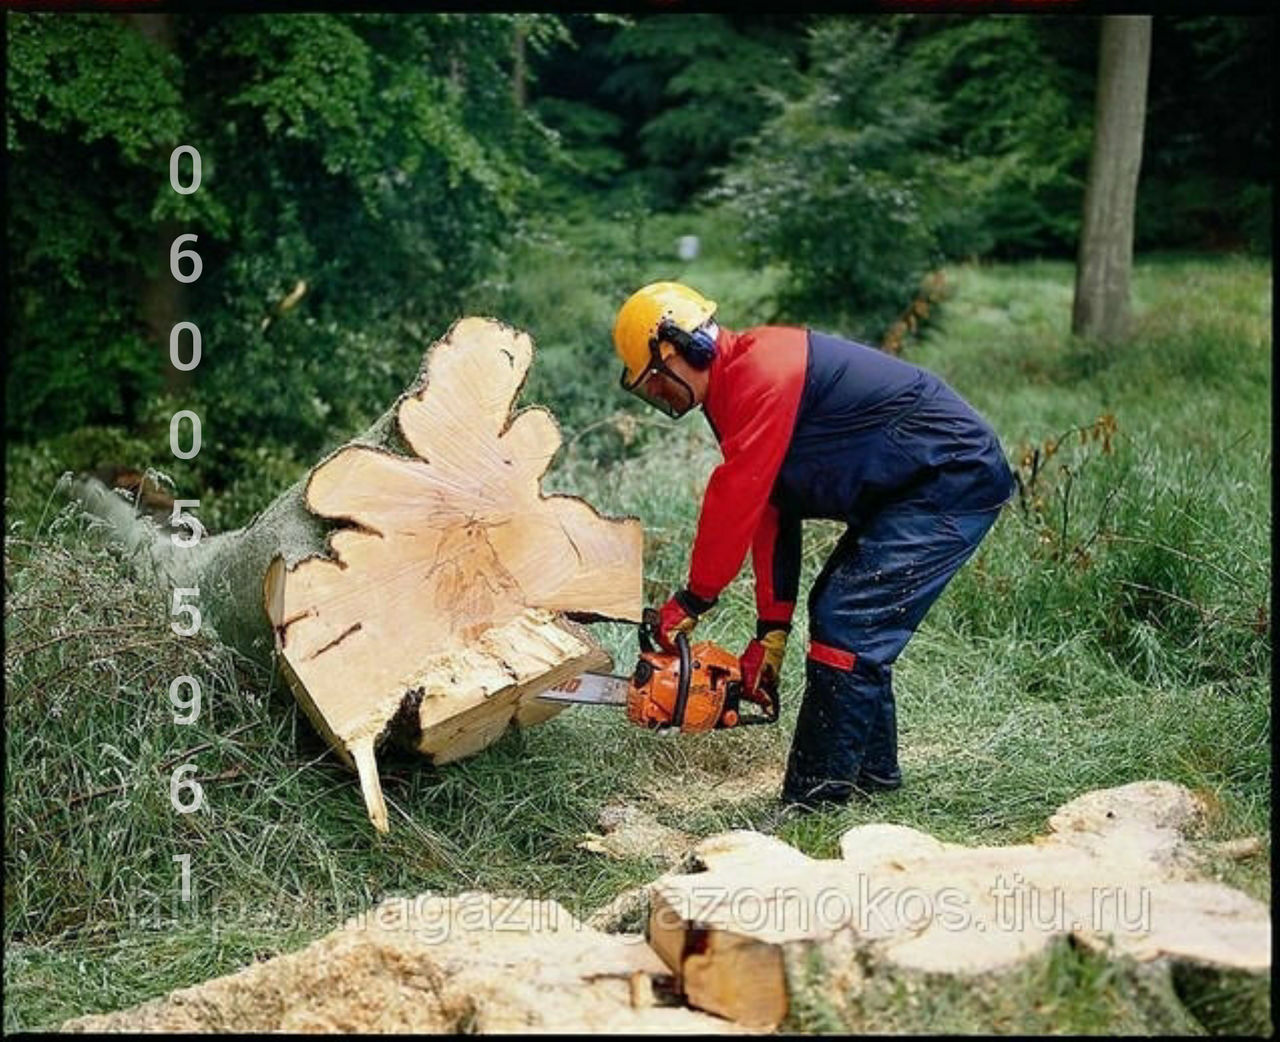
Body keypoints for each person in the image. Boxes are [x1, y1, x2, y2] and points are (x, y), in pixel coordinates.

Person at [612, 280, 1016, 811]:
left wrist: (692, 600)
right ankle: (873, 776)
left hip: (951, 477)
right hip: (909, 488)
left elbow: (735, 498)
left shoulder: (763, 372)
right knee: (844, 612)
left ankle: (816, 802)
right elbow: (770, 508)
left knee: (849, 618)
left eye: (658, 384)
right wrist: (770, 633)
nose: (660, 397)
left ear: (684, 349)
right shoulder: (731, 388)